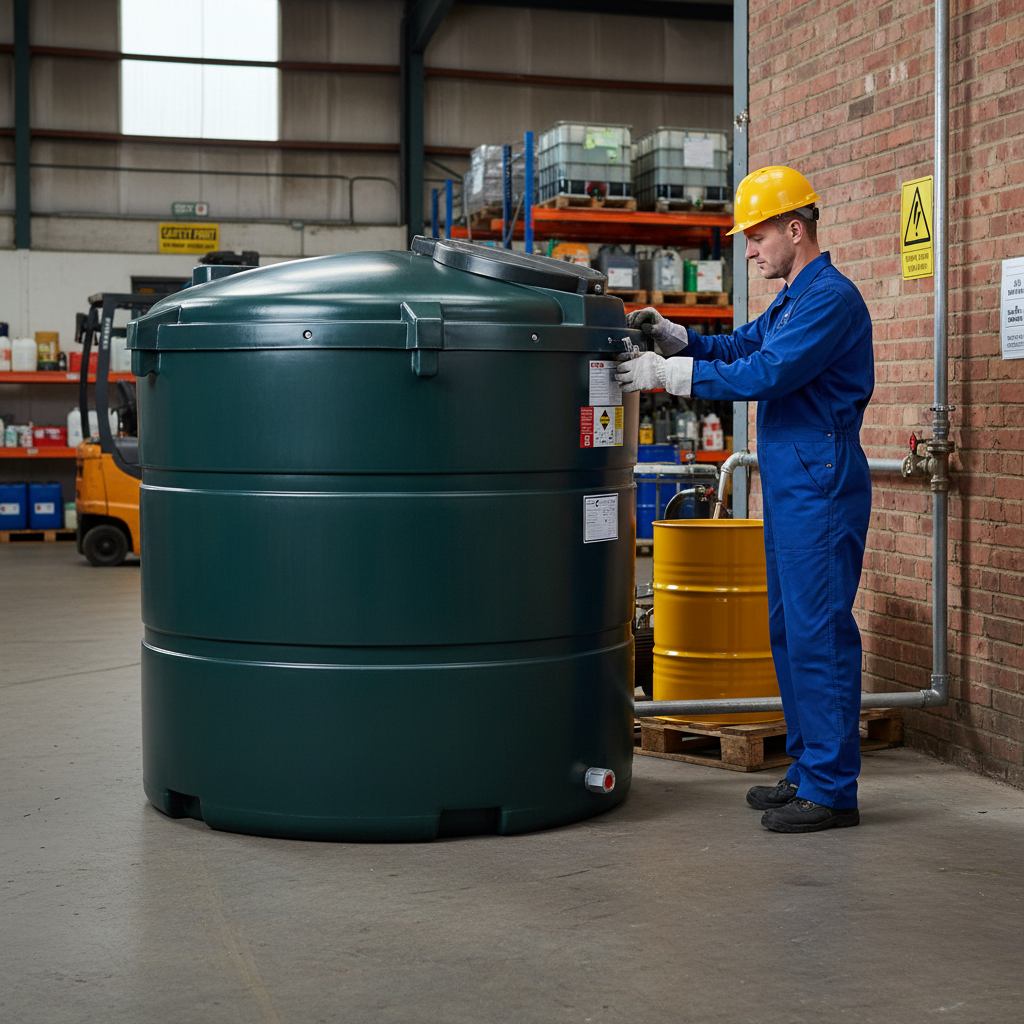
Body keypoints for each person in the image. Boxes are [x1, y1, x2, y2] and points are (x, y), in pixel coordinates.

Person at [617, 166, 874, 834]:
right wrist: (677, 338)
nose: (751, 250)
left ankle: (832, 789)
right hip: (792, 481)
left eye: (757, 237)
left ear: (796, 229)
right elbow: (741, 346)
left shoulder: (829, 300)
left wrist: (669, 375)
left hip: (819, 482)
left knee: (819, 631)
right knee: (788, 629)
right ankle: (809, 767)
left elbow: (768, 371)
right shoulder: (794, 299)